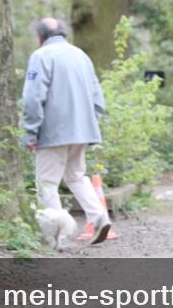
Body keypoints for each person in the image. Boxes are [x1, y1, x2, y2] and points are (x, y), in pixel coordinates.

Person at [22, 17, 111, 245]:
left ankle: (56, 236)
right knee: (76, 176)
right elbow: (98, 98)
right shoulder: (81, 56)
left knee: (47, 183)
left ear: (40, 37)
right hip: (83, 130)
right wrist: (88, 122)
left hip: (53, 131)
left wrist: (31, 133)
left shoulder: (41, 56)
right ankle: (100, 218)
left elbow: (33, 98)